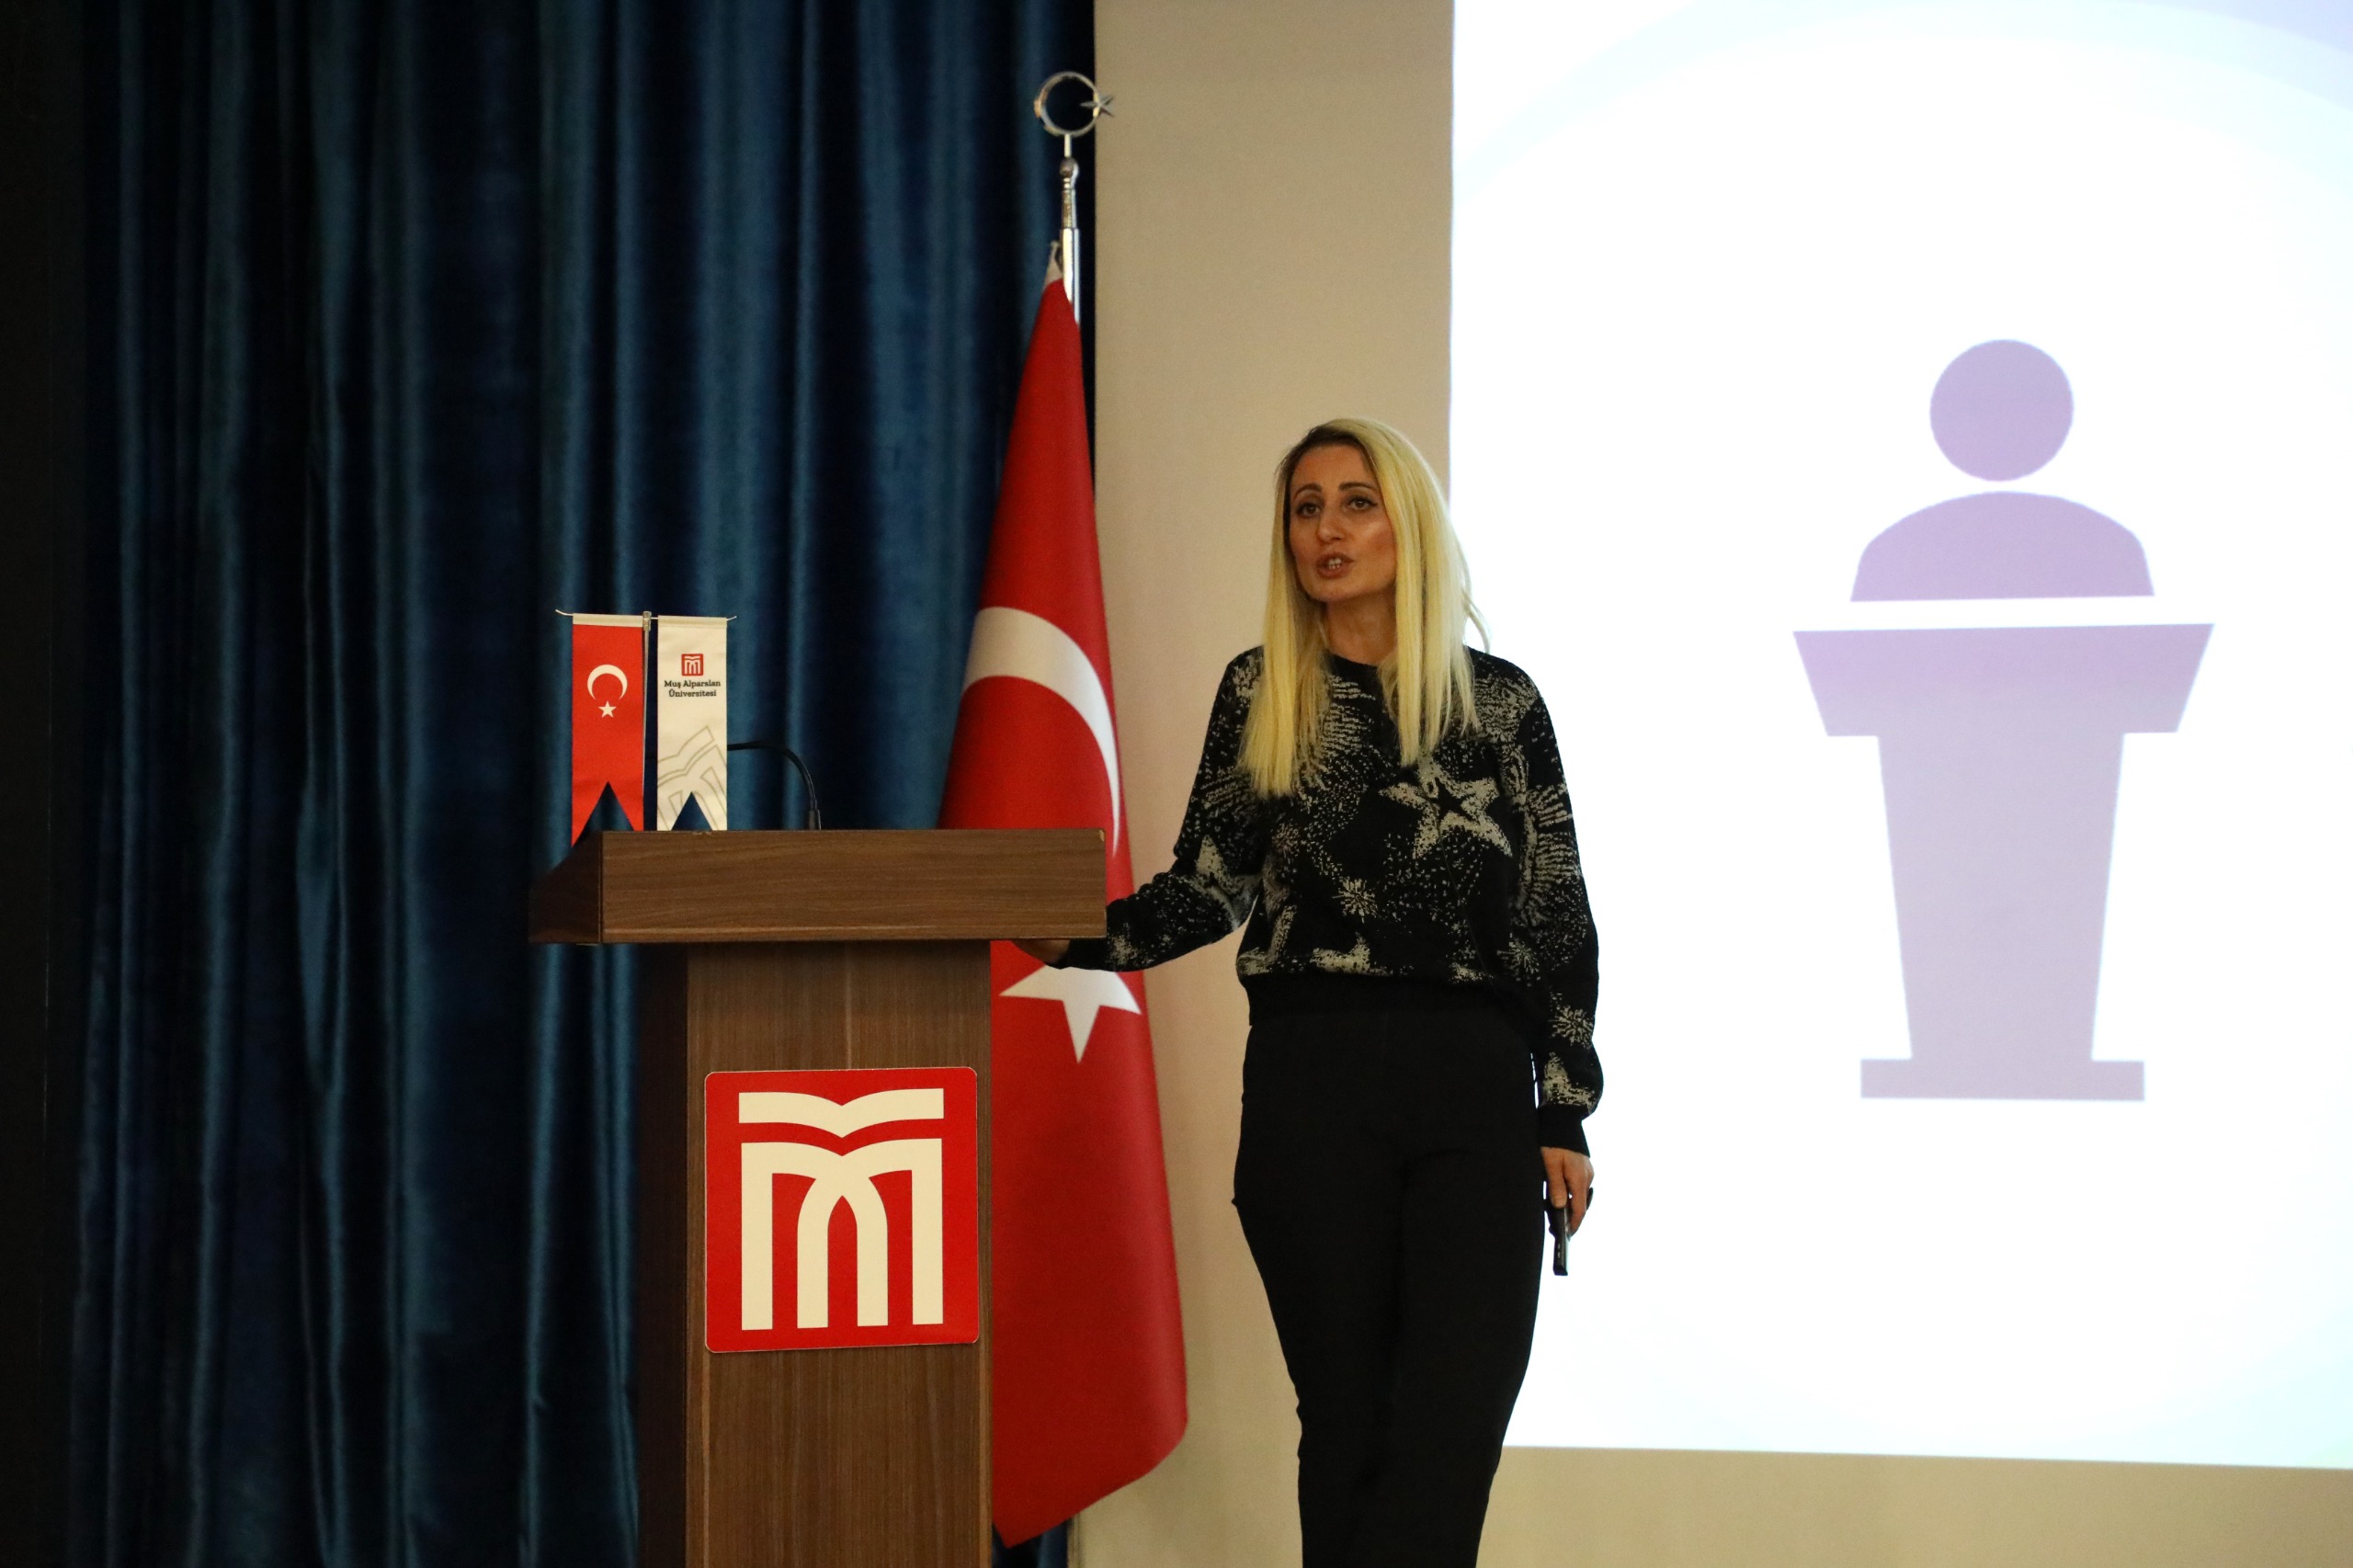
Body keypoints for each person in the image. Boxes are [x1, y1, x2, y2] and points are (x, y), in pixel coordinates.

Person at [1017, 417, 1601, 1567]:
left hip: (1471, 1090)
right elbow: (1210, 883)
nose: (1327, 529)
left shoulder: (1499, 703)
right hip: (1310, 1083)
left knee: (1449, 1427)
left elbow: (1554, 909)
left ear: (1407, 524)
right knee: (1347, 1422)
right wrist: (1077, 935)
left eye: (1355, 501)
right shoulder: (1262, 689)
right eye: (1305, 507)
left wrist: (1563, 1106)